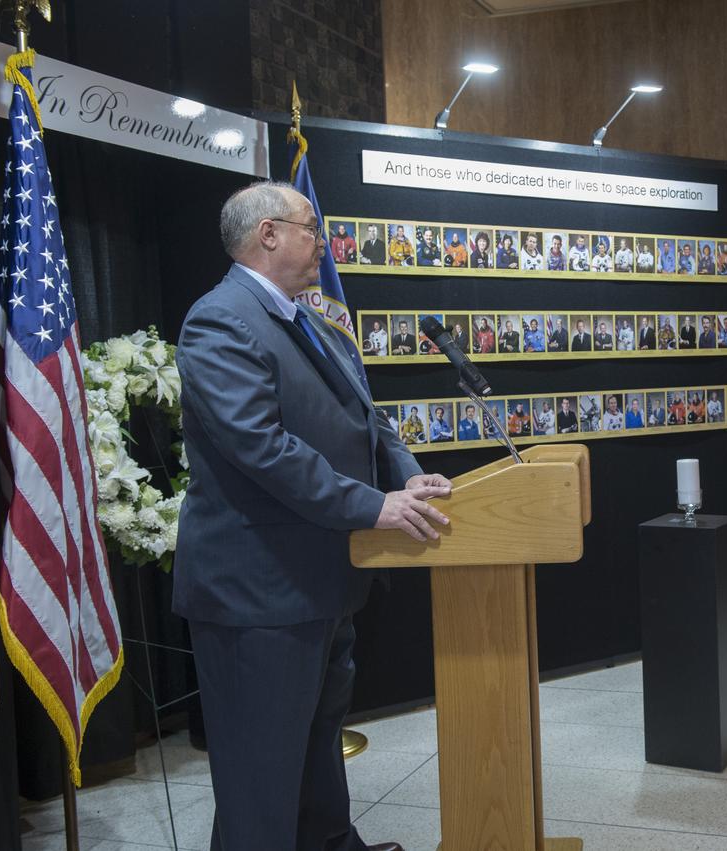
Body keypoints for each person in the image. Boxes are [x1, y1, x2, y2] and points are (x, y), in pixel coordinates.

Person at [174, 181, 449, 851]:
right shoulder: (220, 320)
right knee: (259, 776)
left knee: (317, 745)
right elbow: (262, 448)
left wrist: (408, 476)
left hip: (321, 579)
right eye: (309, 227)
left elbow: (365, 417)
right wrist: (372, 505)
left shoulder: (310, 317)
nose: (322, 242)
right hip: (258, 593)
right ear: (266, 234)